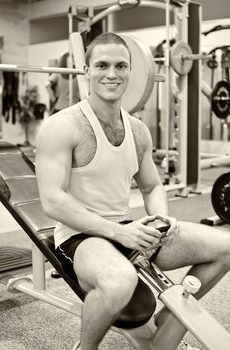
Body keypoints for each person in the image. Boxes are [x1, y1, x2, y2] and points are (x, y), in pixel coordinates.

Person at [35, 32, 230, 350]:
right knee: (119, 281)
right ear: (86, 70)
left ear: (130, 72)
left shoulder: (138, 130)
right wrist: (119, 233)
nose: (111, 74)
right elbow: (53, 201)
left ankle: (169, 321)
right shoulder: (62, 126)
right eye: (101, 65)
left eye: (120, 66)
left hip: (128, 228)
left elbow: (152, 185)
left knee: (227, 246)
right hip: (80, 237)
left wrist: (161, 219)